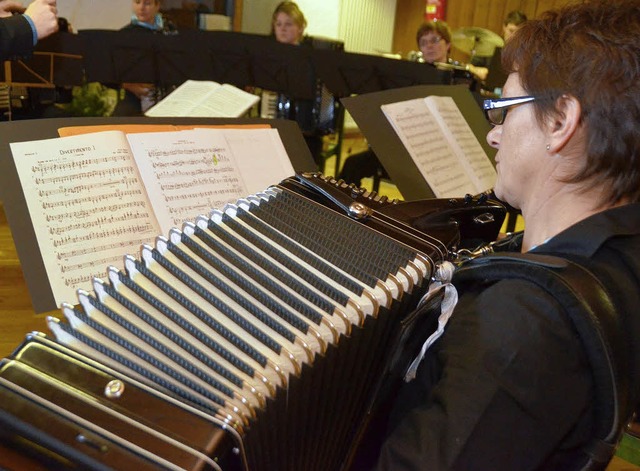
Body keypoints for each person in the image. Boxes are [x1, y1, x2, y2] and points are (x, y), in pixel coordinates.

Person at [372, 0, 640, 469]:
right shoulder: (623, 249)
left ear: (561, 122)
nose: (493, 136)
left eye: (504, 109)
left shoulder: (519, 325)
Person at [111, 0, 177, 116]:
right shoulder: (125, 34)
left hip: (166, 94)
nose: (141, 8)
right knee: (120, 119)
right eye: (137, 2)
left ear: (157, 6)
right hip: (134, 96)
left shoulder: (169, 31)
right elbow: (113, 71)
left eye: (147, 3)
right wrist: (128, 85)